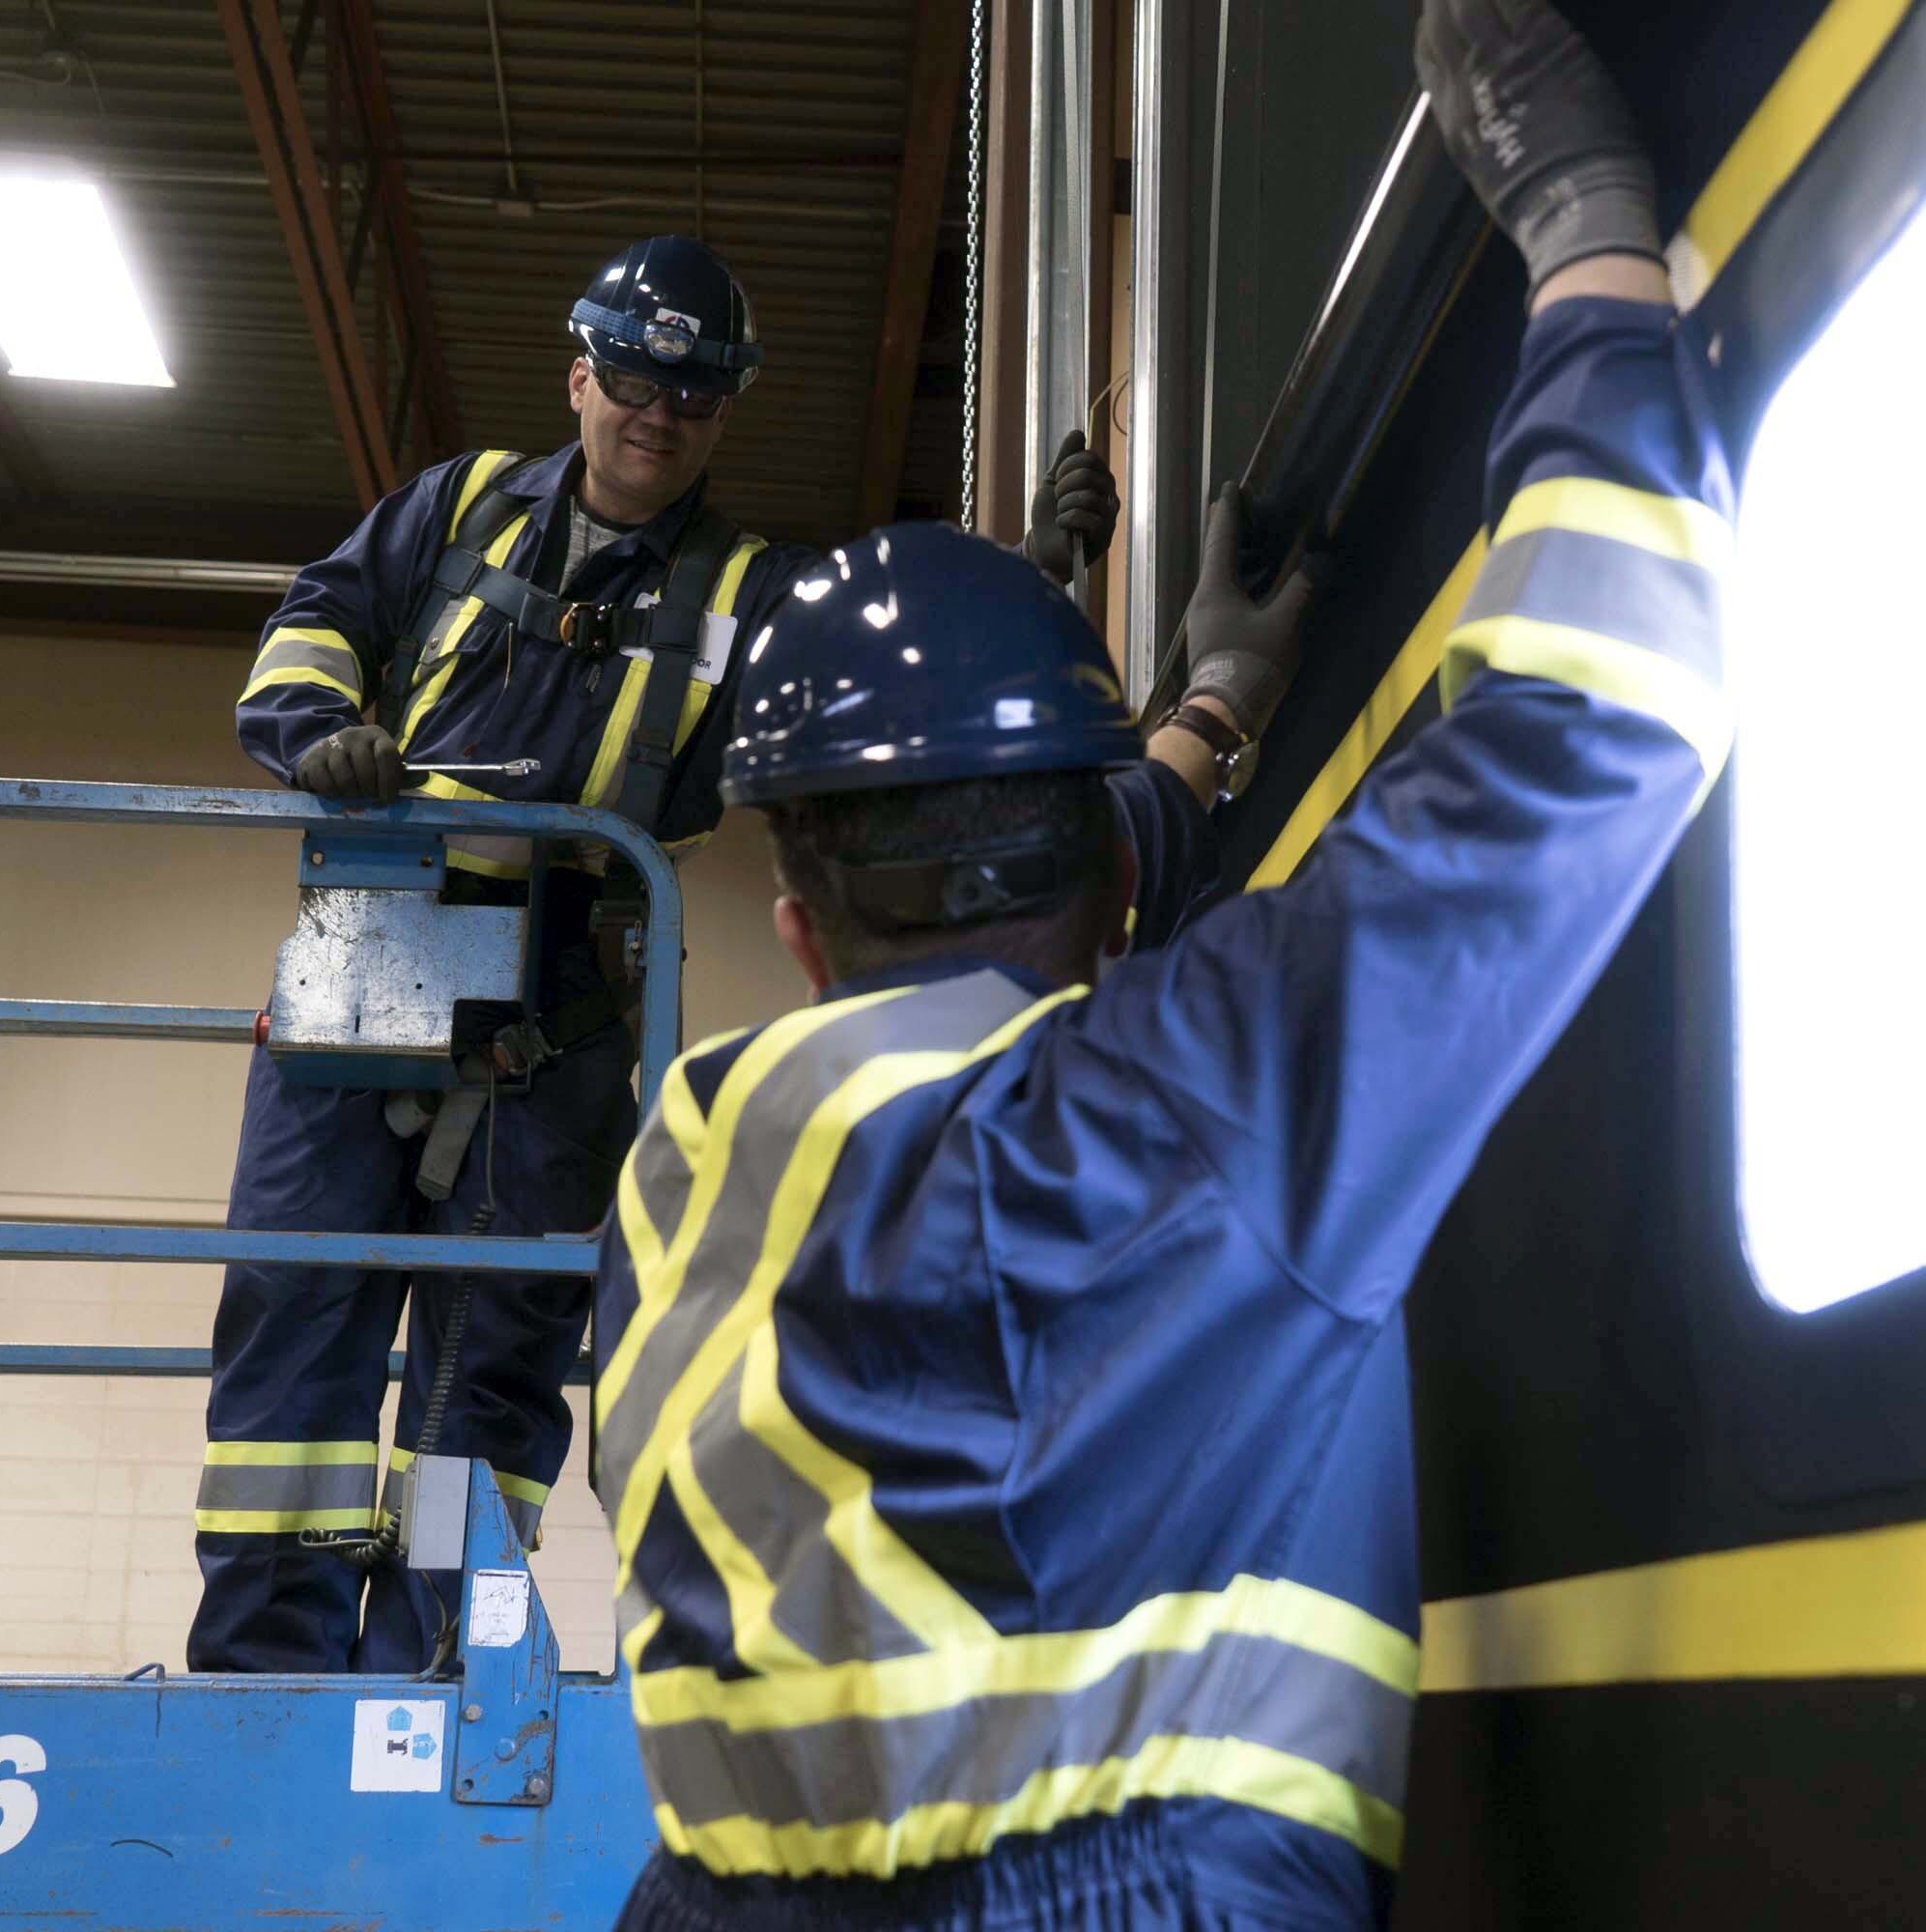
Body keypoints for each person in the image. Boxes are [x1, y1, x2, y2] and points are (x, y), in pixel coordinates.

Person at [589, 1, 1734, 1921]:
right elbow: (1596, 722)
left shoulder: (678, 1188)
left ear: (795, 925)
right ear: (1112, 891)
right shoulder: (1160, 1112)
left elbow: (1014, 925)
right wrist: (1595, 231)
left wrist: (1208, 710)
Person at [190, 233, 1125, 1675]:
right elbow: (318, 617)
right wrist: (318, 734)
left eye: (692, 392)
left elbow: (879, 660)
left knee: (491, 1361)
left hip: (564, 995)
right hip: (376, 938)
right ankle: (263, 1670)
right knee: (298, 1305)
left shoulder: (751, 590)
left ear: (722, 413)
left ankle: (419, 1668)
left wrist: (1029, 578)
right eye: (632, 376)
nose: (657, 409)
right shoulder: (460, 509)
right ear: (580, 376)